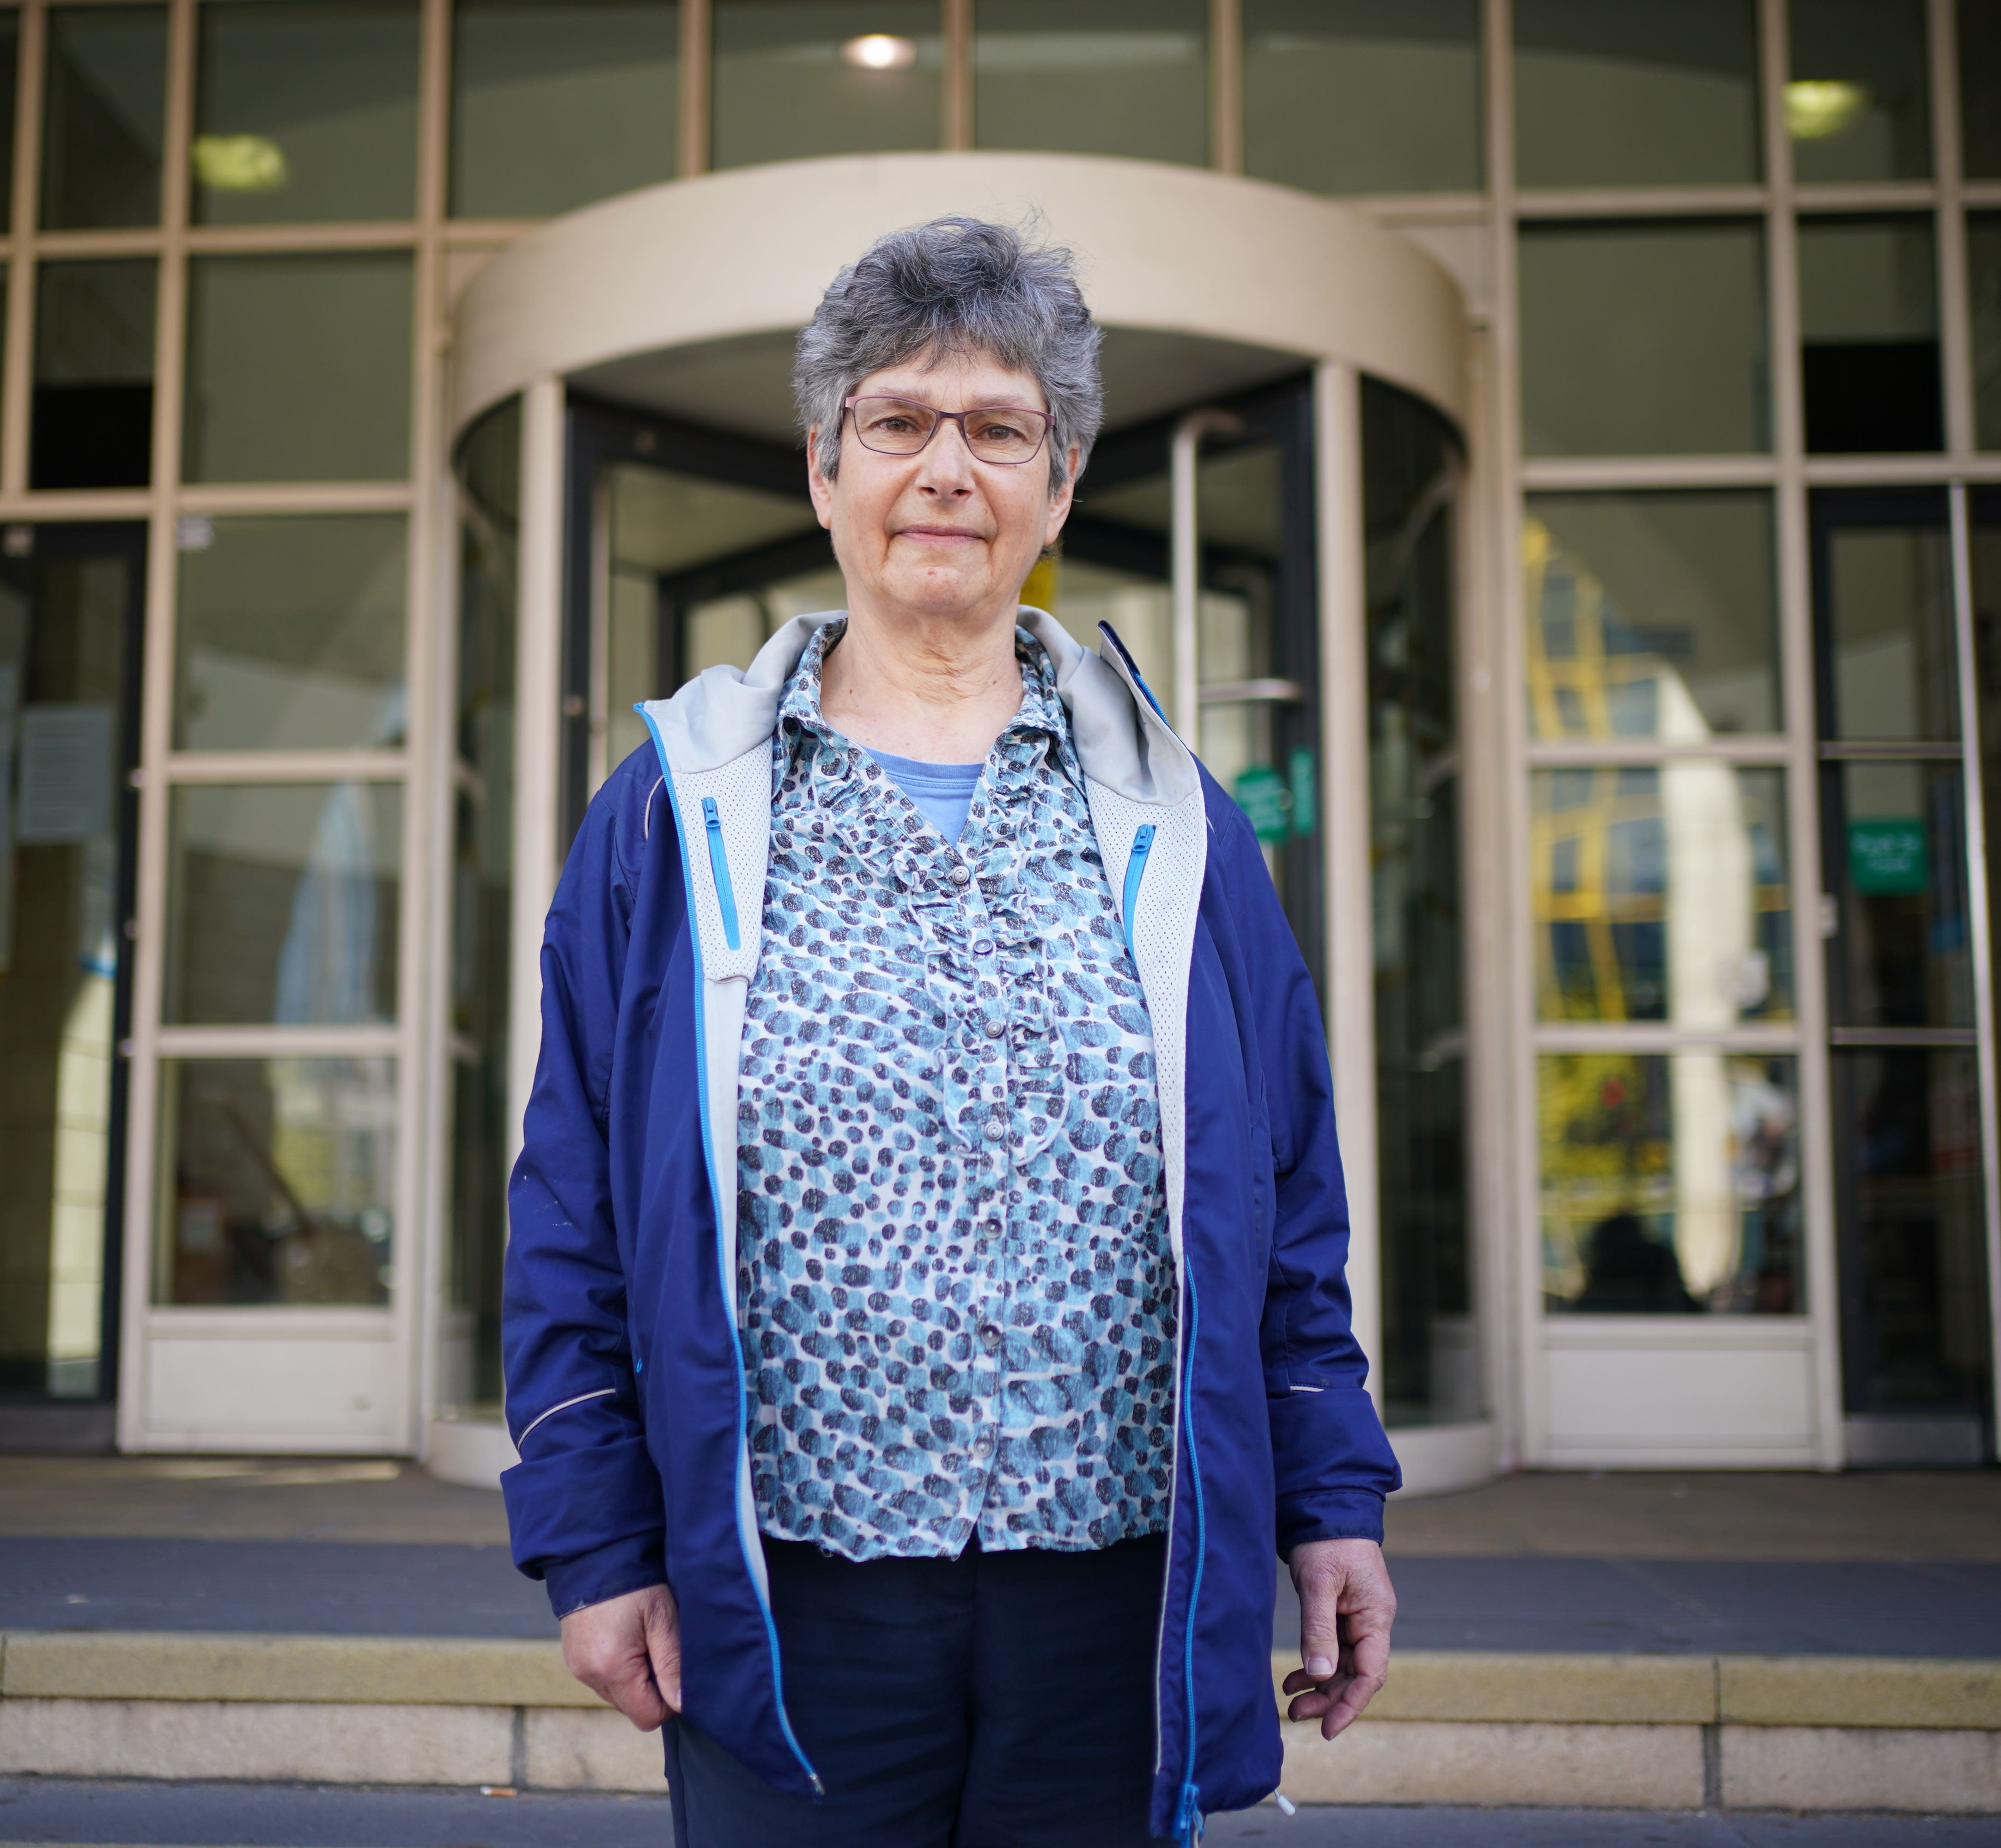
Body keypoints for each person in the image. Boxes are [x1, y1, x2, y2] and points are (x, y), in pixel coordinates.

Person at [500, 215, 1401, 1847]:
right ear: (824, 466)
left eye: (999, 430)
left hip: (1114, 1594)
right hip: (785, 1586)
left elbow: (1286, 1194)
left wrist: (1332, 1497)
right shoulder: (675, 813)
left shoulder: (1180, 821)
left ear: (1058, 490)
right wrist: (595, 1539)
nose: (945, 469)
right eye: (898, 422)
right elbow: (572, 1206)